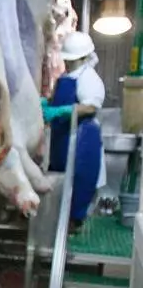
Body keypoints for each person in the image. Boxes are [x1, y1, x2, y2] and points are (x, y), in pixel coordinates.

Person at [41, 30, 106, 231]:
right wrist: (47, 103)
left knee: (79, 180)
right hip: (62, 138)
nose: (68, 64)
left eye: (73, 60)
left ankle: (75, 221)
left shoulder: (89, 78)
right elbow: (56, 99)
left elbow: (91, 107)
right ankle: (58, 219)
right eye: (67, 60)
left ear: (85, 58)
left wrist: (62, 111)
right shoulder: (67, 76)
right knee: (59, 177)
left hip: (81, 138)